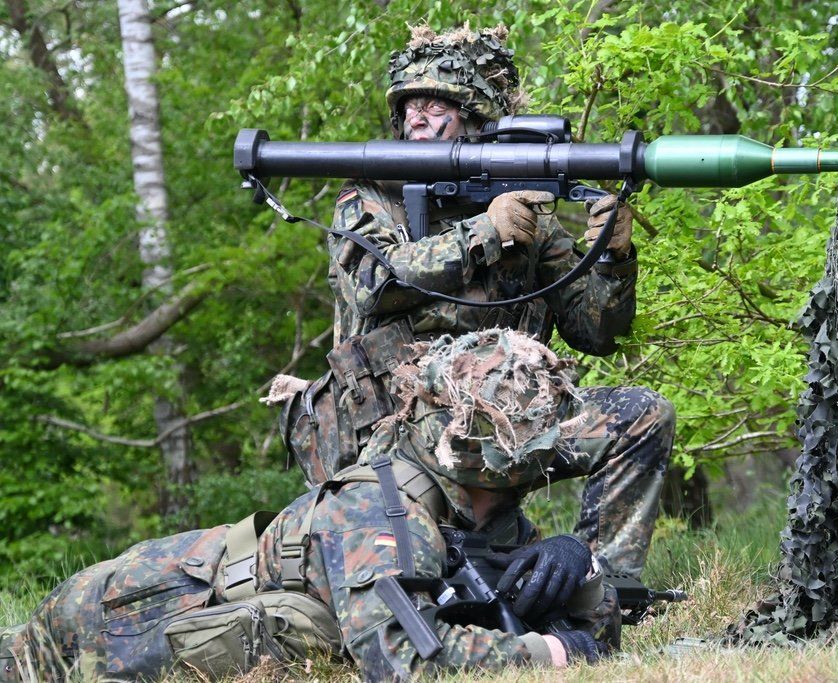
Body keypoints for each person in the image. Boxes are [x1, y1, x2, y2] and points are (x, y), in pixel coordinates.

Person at [273, 23, 675, 579]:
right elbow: (373, 282)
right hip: (399, 437)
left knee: (643, 415)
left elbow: (596, 332)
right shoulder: (369, 197)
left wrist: (612, 256)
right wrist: (483, 233)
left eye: (436, 106)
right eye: (410, 106)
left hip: (500, 422)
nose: (418, 118)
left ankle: (601, 587)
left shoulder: (528, 214)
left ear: (478, 120)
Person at [1, 331, 618, 682]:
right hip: (118, 615)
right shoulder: (381, 513)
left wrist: (580, 567)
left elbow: (592, 627)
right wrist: (555, 653)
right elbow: (404, 662)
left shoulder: (481, 507)